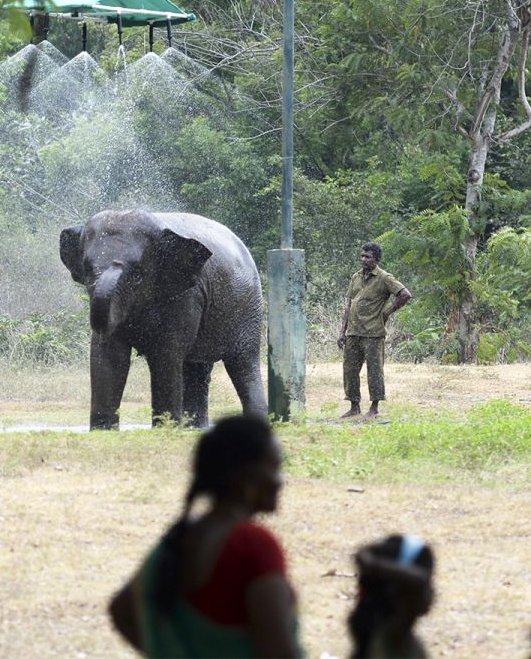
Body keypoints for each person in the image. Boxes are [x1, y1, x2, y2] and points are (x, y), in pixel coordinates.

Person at [108, 414, 301, 658]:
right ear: (245, 477)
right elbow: (279, 653)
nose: (280, 481)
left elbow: (121, 610)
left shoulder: (178, 539)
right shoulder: (252, 545)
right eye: (274, 468)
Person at [338, 242, 412, 419]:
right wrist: (342, 331)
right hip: (353, 332)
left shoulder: (384, 278)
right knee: (349, 369)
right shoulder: (356, 277)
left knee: (374, 370)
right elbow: (348, 305)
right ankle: (354, 406)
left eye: (368, 256)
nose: (363, 259)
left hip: (373, 333)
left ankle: (374, 408)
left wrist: (387, 313)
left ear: (376, 260)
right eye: (362, 256)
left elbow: (405, 294)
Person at [348, 534, 434, 658]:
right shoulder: (396, 637)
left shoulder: (375, 639)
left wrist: (373, 565)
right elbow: (420, 582)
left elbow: (362, 554)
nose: (431, 592)